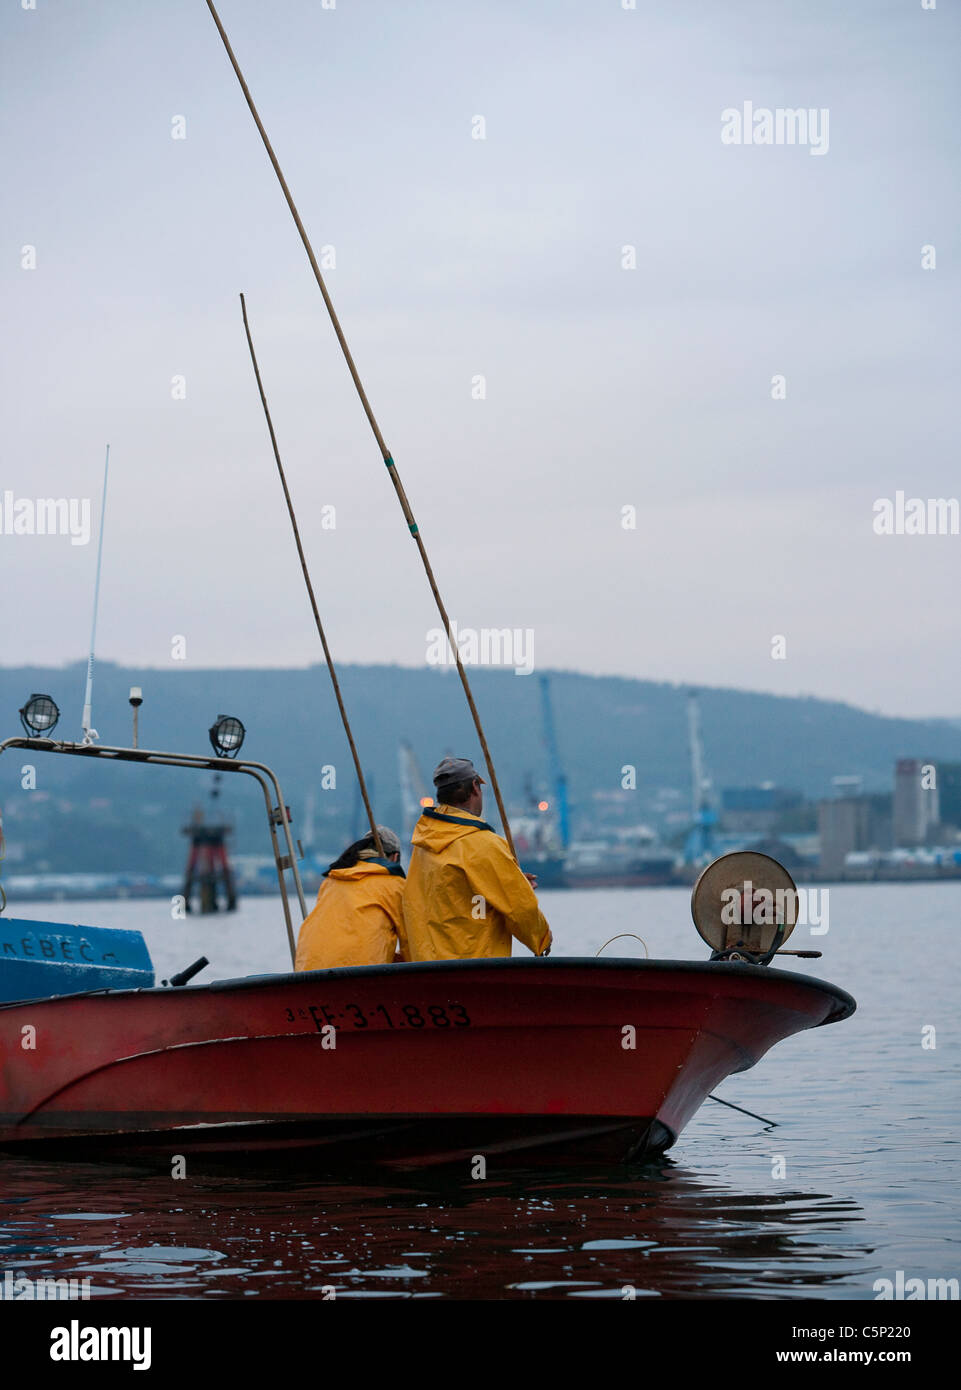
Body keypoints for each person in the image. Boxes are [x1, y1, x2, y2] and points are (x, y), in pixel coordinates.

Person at [403, 756, 553, 961]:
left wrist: (500, 886)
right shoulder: (484, 844)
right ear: (475, 787)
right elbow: (519, 907)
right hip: (474, 967)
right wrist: (542, 939)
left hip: (429, 970)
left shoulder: (423, 845)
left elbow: (464, 901)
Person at [295, 825, 409, 970]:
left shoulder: (331, 880)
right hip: (359, 977)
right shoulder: (395, 885)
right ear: (395, 857)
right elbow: (412, 945)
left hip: (308, 971)